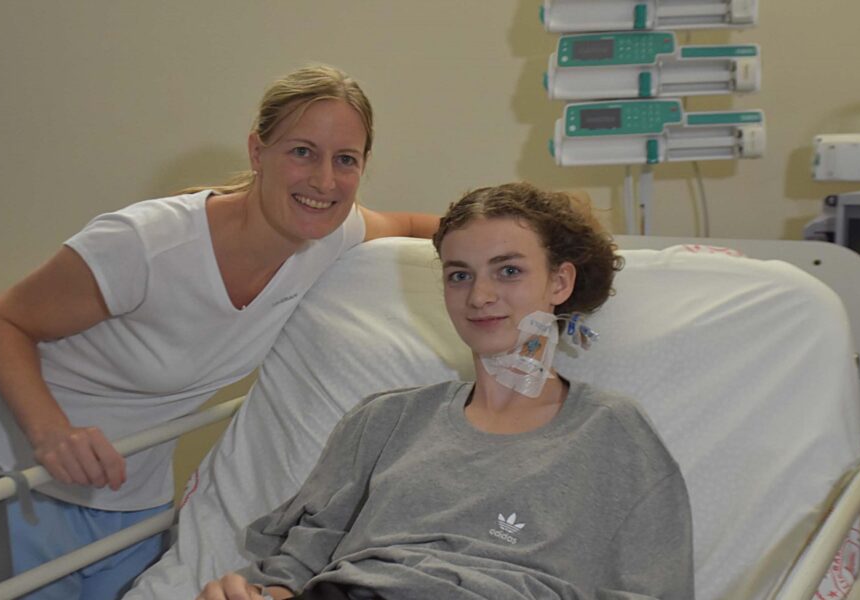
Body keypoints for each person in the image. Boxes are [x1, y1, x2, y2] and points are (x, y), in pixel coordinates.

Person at [0, 64, 439, 600]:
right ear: (257, 152)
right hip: (8, 475)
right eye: (302, 152)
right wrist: (50, 430)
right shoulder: (148, 244)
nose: (325, 181)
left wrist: (501, 248)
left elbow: (412, 225)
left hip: (126, 496)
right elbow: (1, 322)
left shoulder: (331, 236)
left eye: (345, 160)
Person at [196, 182, 694, 600]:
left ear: (560, 282)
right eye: (460, 275)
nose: (479, 296)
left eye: (508, 270)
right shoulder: (386, 420)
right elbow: (300, 560)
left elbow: (652, 588)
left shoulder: (611, 431)